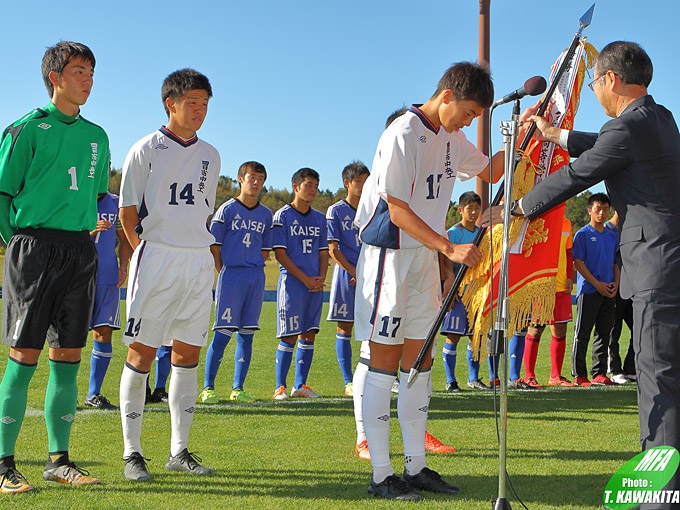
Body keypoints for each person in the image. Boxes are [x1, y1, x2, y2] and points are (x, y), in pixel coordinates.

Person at [517, 41, 680, 505]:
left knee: (657, 382)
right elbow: (606, 147)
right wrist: (556, 135)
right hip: (668, 267)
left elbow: (579, 175)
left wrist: (517, 207)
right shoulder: (660, 118)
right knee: (668, 378)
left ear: (610, 79)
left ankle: (660, 494)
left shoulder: (629, 126)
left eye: (593, 83)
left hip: (655, 271)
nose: (593, 91)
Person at [354, 61, 509, 501]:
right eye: (469, 113)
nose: (469, 122)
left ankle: (416, 466)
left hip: (423, 258)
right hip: (389, 257)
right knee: (384, 364)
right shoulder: (403, 132)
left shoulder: (451, 137)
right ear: (447, 96)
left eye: (476, 116)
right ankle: (381, 475)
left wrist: (527, 134)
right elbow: (397, 211)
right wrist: (448, 247)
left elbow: (492, 170)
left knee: (420, 363)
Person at [0, 41, 108, 494]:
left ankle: (58, 461)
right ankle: (3, 464)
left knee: (67, 359)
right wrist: (16, 246)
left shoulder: (98, 137)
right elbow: (3, 196)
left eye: (91, 73)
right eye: (79, 71)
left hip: (79, 251)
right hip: (33, 249)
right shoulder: (25, 129)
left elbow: (94, 196)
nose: (88, 80)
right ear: (55, 78)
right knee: (23, 357)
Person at [118, 68, 219, 482]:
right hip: (156, 257)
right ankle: (132, 453)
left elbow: (202, 213)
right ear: (170, 103)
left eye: (205, 104)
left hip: (197, 261)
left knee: (187, 355)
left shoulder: (211, 155)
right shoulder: (145, 149)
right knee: (141, 353)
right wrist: (144, 254)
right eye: (192, 102)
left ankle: (179, 450)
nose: (200, 110)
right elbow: (127, 212)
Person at [199, 161, 273, 404]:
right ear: (241, 179)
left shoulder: (266, 214)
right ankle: (208, 388)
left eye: (260, 179)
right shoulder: (227, 210)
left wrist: (252, 263)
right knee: (223, 333)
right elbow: (214, 244)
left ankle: (238, 388)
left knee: (247, 334)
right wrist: (223, 269)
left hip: (255, 277)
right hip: (231, 275)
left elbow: (266, 249)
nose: (256, 183)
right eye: (252, 177)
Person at [272, 168, 329, 400]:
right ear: (296, 187)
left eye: (316, 186)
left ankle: (300, 385)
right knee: (290, 334)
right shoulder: (282, 216)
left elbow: (324, 252)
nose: (313, 190)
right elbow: (280, 254)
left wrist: (321, 277)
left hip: (314, 284)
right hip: (293, 284)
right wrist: (305, 279)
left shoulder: (320, 219)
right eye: (308, 185)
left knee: (309, 333)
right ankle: (280, 387)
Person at [326, 161, 370, 396]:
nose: (363, 186)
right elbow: (333, 249)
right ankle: (348, 381)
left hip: (370, 276)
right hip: (347, 275)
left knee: (373, 326)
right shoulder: (335, 211)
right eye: (358, 181)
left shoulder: (372, 209)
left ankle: (374, 377)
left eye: (366, 182)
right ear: (347, 183)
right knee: (345, 327)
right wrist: (355, 273)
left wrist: (367, 274)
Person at [85, 192, 133, 410]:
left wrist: (123, 265)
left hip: (107, 277)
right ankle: (64, 392)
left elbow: (124, 239)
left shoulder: (116, 203)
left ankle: (94, 393)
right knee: (68, 338)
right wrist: (89, 230)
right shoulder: (77, 195)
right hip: (77, 276)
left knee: (104, 332)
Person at [569, 193, 619, 386]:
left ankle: (599, 373)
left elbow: (615, 262)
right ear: (590, 210)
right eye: (598, 209)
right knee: (582, 333)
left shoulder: (612, 236)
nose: (601, 213)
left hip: (608, 291)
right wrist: (597, 284)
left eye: (605, 209)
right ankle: (579, 374)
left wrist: (616, 283)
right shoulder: (582, 234)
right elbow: (578, 262)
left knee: (604, 333)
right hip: (589, 290)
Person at [522, 216, 576, 388]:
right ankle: (529, 376)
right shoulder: (538, 221)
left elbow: (568, 252)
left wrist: (569, 276)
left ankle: (556, 376)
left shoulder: (566, 223)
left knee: (560, 330)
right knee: (535, 329)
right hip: (541, 286)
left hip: (561, 286)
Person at [440, 192, 484, 392]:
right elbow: (444, 259)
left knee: (476, 336)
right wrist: (450, 286)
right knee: (453, 335)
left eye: (476, 208)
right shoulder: (454, 233)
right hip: (458, 294)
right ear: (460, 210)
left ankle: (473, 379)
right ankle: (451, 381)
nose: (473, 212)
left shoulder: (482, 233)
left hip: (477, 294)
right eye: (469, 208)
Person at [604, 212, 636, 383]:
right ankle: (615, 370)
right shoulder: (606, 230)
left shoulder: (631, 228)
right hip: (613, 287)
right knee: (613, 330)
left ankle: (631, 368)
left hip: (632, 288)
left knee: (638, 328)